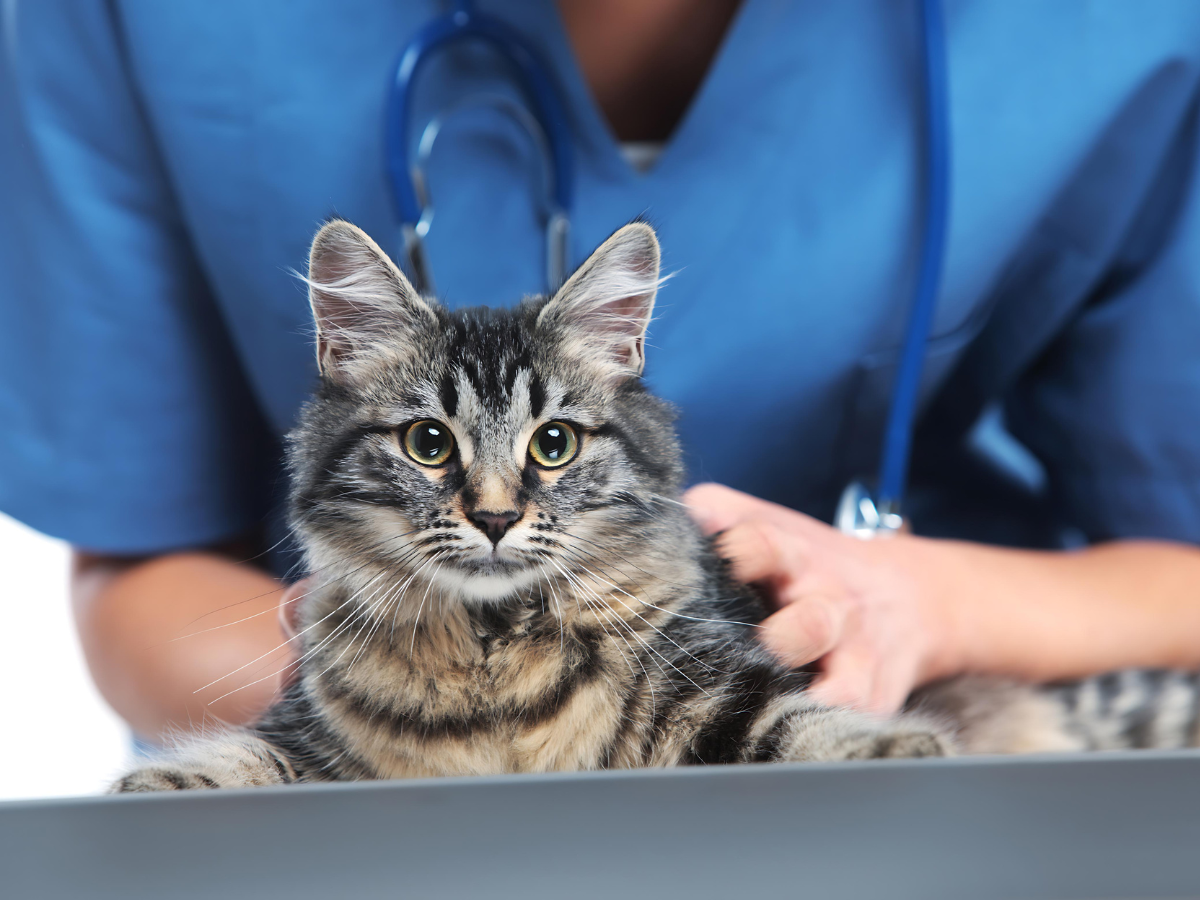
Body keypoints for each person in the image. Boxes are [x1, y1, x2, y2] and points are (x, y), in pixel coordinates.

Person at [3, 0, 1200, 741]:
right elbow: (133, 551)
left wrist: (928, 603)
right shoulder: (143, 17)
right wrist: (377, 701)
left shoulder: (1110, 28)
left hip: (921, 757)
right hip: (369, 810)